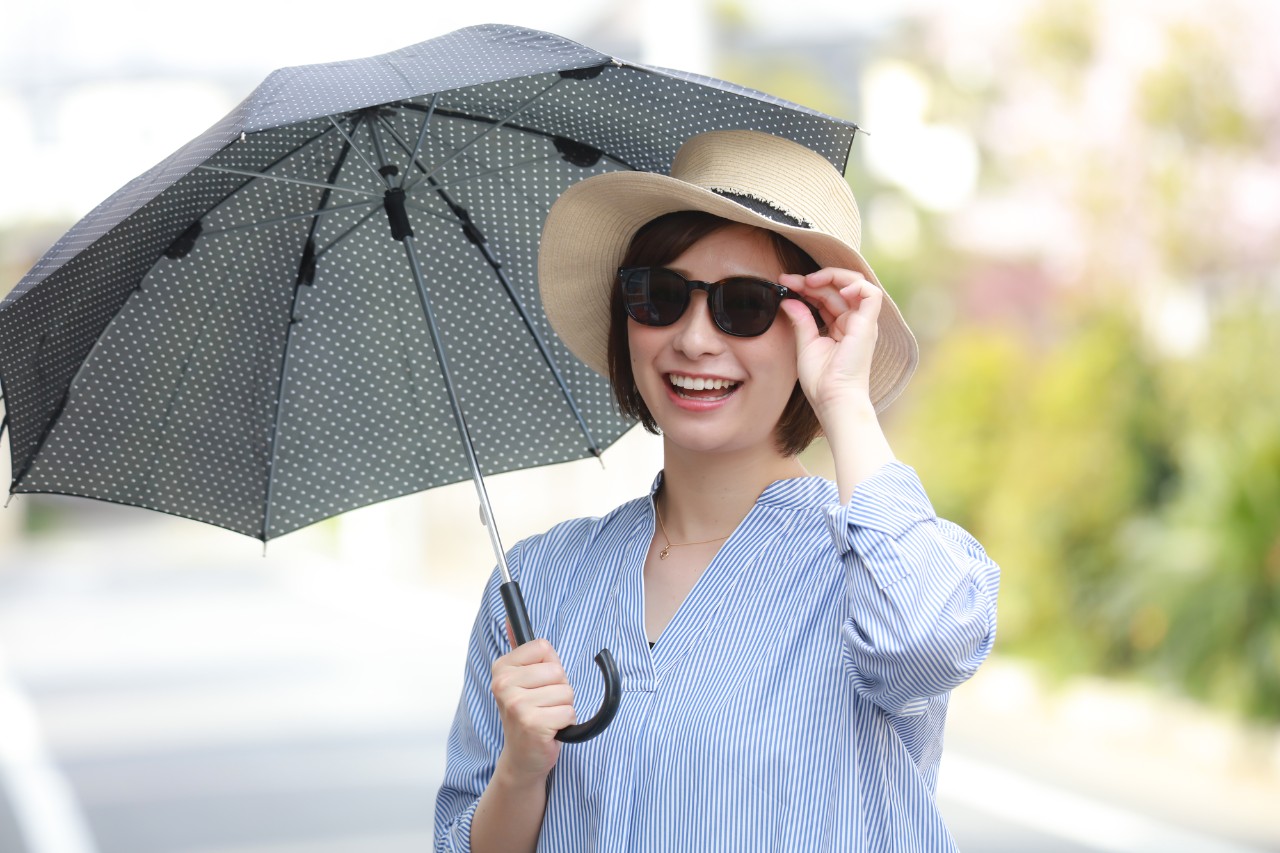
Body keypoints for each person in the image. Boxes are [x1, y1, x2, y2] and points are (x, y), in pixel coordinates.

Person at [434, 129, 1000, 852]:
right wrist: (521, 771)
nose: (695, 338)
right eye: (660, 296)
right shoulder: (540, 580)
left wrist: (845, 400)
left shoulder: (873, 567)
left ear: (817, 327)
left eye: (745, 304)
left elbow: (931, 640)